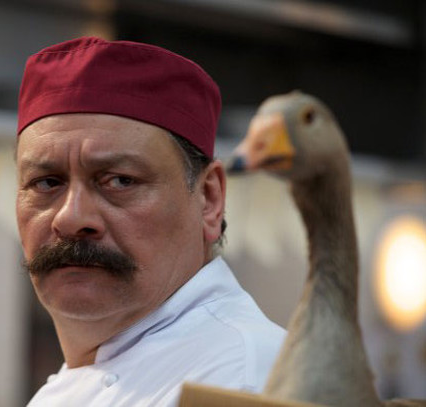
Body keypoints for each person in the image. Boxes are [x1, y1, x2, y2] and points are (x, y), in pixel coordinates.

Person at [16, 36, 285, 407]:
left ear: (209, 199)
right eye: (47, 183)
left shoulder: (244, 382)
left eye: (119, 181)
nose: (72, 217)